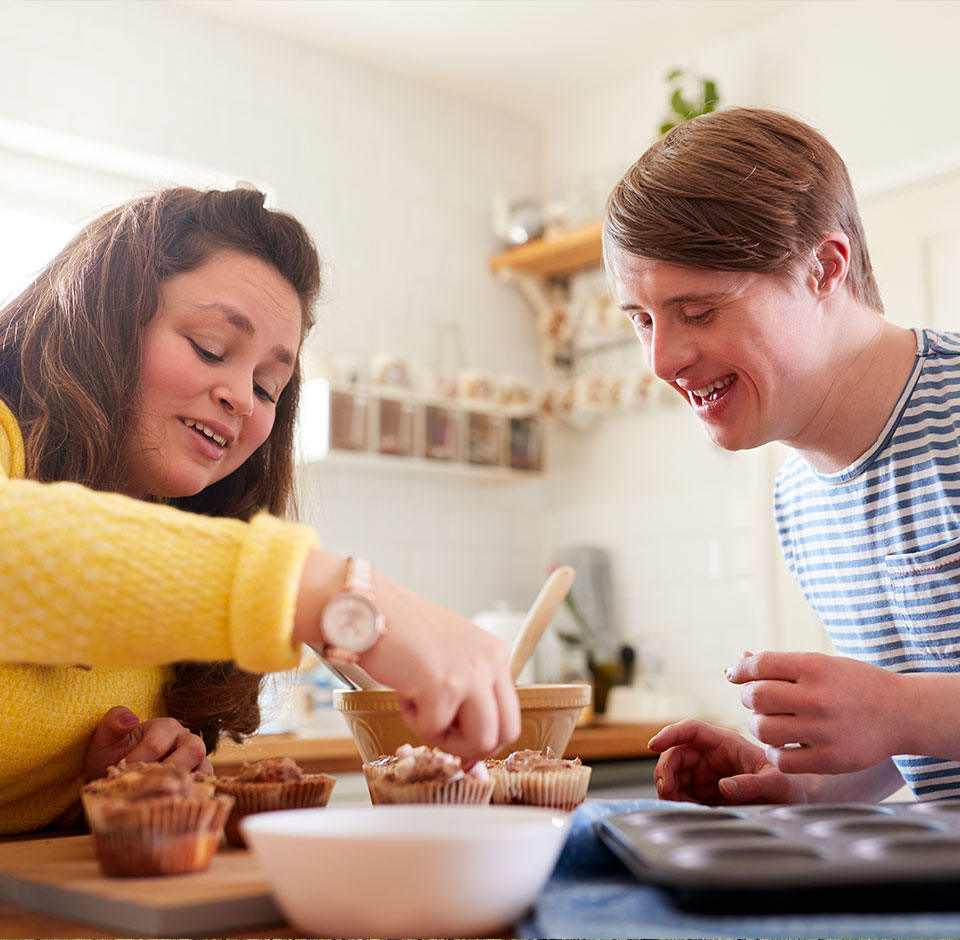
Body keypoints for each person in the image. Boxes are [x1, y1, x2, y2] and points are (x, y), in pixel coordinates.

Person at [0, 186, 519, 835]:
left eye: (269, 385)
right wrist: (332, 590)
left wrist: (97, 792)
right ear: (100, 321)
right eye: (212, 347)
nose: (243, 398)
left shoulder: (179, 546)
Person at [603, 107, 960, 806]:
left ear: (824, 268)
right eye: (642, 320)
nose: (661, 360)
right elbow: (912, 744)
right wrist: (798, 783)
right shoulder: (798, 497)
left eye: (698, 311)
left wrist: (896, 708)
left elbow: (908, 711)